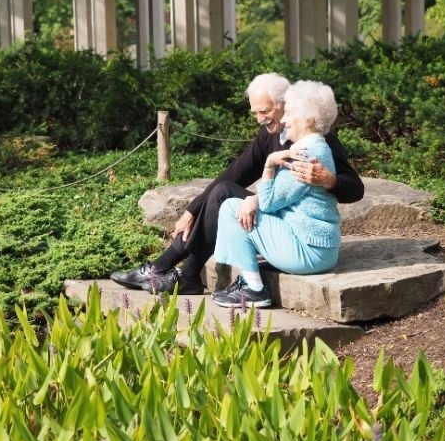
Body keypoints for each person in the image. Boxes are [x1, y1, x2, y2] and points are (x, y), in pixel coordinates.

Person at [110, 73, 363, 295]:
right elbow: (234, 174)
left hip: (294, 229)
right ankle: (169, 270)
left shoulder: (316, 140)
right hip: (281, 218)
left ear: (284, 104)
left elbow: (355, 188)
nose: (259, 119)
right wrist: (192, 209)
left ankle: (174, 272)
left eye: (265, 111)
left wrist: (329, 180)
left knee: (226, 198)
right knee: (223, 191)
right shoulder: (269, 135)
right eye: (255, 112)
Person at [212, 80, 342, 308]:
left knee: (232, 207)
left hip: (309, 253)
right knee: (240, 205)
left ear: (309, 120)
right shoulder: (314, 147)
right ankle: (247, 280)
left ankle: (253, 289)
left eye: (290, 113)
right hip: (318, 249)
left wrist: (269, 165)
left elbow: (270, 201)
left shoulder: (306, 153)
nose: (284, 119)